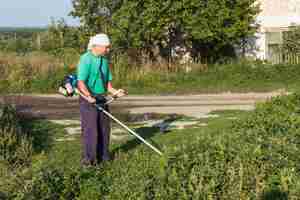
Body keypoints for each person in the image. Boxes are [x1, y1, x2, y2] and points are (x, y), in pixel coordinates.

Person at [77, 33, 125, 166]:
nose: (108, 50)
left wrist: (116, 92)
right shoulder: (85, 59)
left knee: (104, 128)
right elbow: (80, 82)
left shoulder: (104, 61)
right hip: (87, 98)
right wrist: (88, 96)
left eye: (109, 47)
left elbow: (107, 85)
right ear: (96, 46)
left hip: (101, 98)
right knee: (91, 130)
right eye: (106, 47)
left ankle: (104, 157)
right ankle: (89, 161)